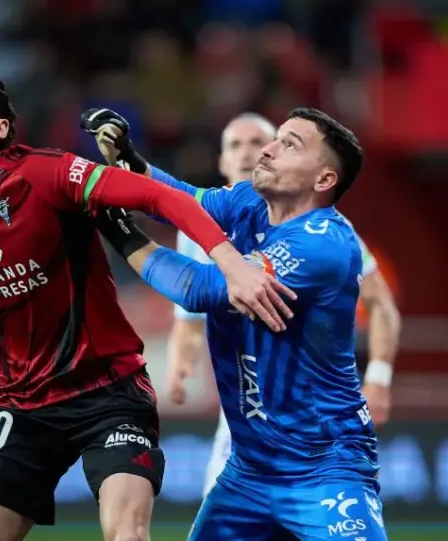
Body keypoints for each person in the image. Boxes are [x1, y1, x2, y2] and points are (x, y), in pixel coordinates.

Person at [0, 61, 295, 541]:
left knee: (127, 535)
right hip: (25, 402)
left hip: (109, 392)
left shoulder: (47, 174)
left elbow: (163, 199)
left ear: (1, 127)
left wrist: (232, 265)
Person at [87, 107, 388, 540]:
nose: (267, 149)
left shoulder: (323, 244)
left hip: (324, 467)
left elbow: (197, 288)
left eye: (290, 145)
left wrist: (117, 230)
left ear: (324, 180)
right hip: (248, 472)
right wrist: (131, 162)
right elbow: (185, 202)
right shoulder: (252, 202)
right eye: (277, 137)